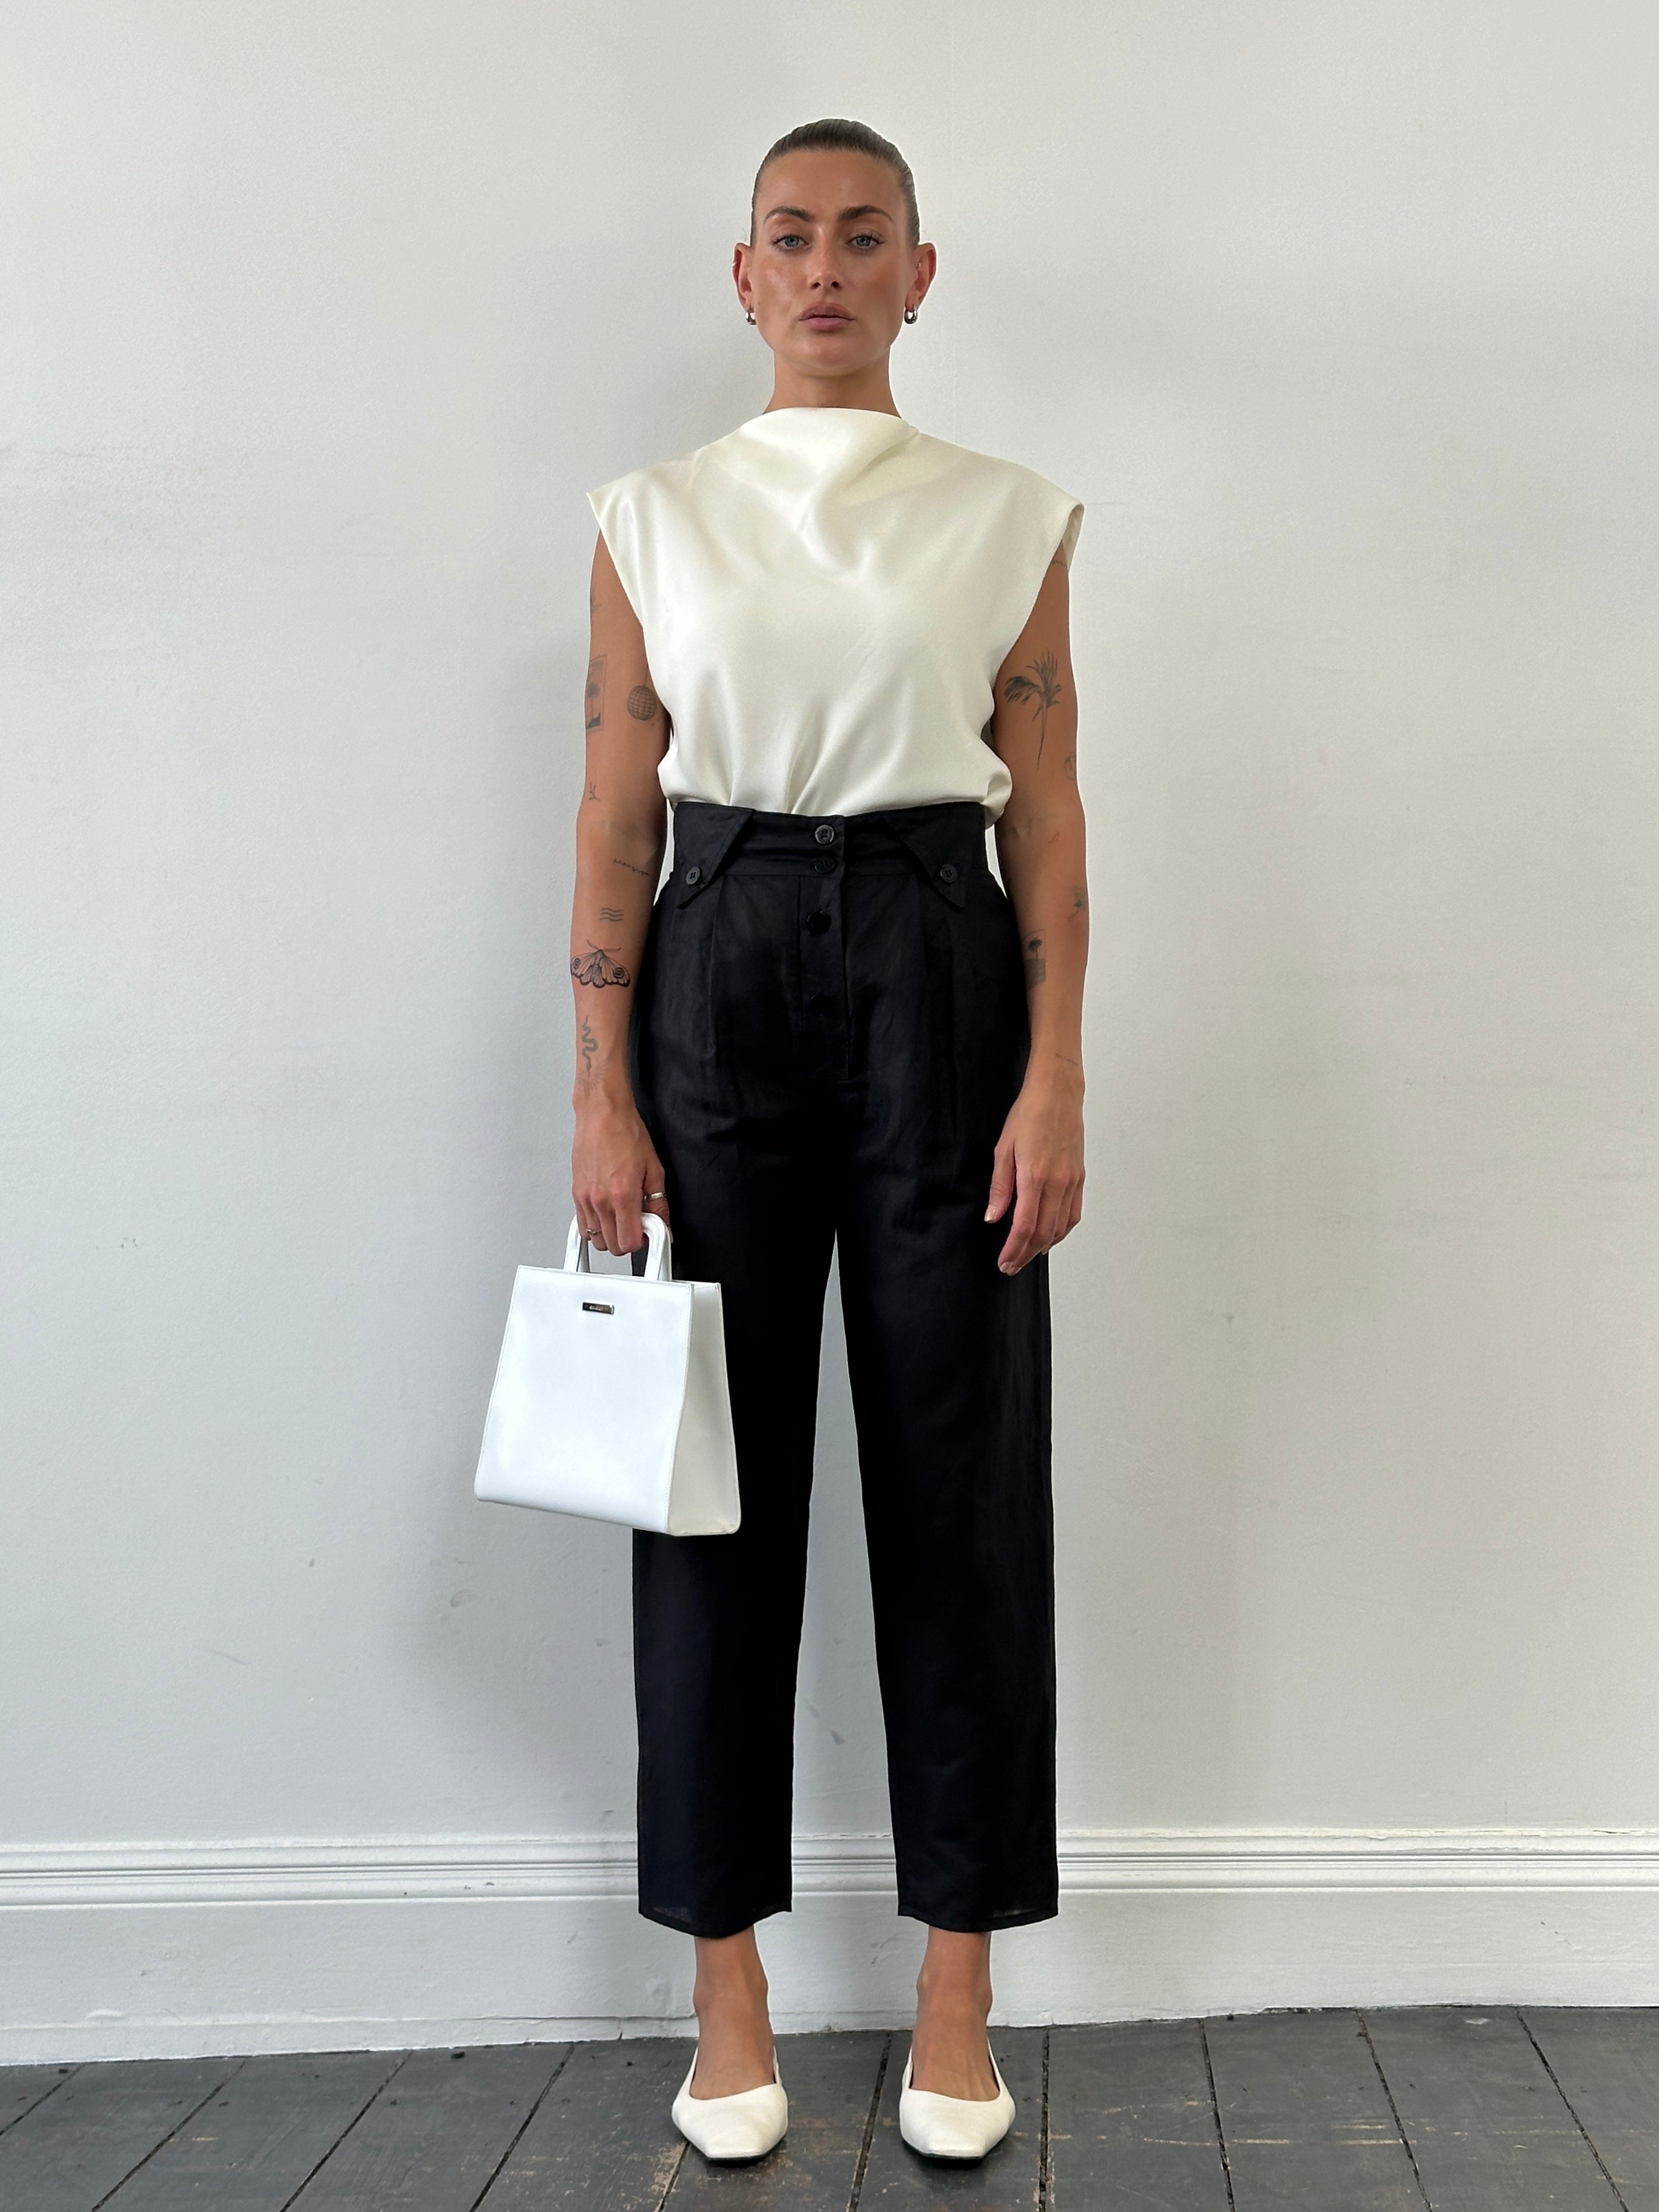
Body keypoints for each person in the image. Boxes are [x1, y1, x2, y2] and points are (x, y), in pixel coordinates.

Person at [570, 117, 1087, 2165]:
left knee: (962, 1471)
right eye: (790, 237)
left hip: (940, 956)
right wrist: (600, 1082)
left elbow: (1048, 803)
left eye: (866, 238)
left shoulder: (1009, 516)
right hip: (714, 959)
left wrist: (1057, 1068)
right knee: (710, 1483)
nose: (825, 270)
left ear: (920, 275)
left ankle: (960, 1987)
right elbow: (618, 806)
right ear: (743, 273)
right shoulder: (652, 516)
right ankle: (729, 1990)